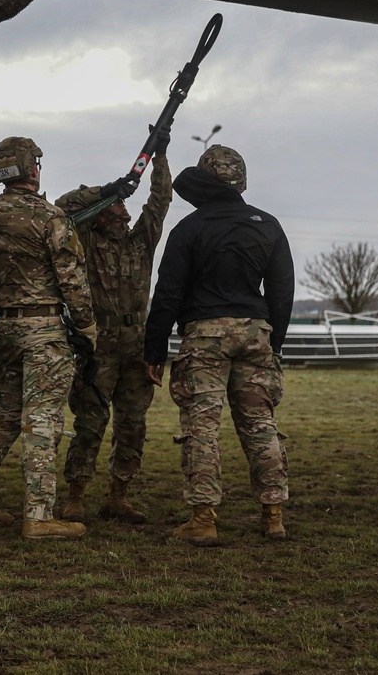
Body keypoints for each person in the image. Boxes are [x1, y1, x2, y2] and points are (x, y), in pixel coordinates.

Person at [144, 144, 294, 545]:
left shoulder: (189, 228)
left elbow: (168, 294)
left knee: (202, 429)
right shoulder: (269, 225)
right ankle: (273, 515)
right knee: (261, 424)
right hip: (255, 331)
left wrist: (154, 350)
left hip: (204, 335)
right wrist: (272, 343)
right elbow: (281, 291)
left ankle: (203, 520)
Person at [0, 137, 97, 540]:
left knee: (4, 413)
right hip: (45, 330)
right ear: (32, 169)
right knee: (43, 420)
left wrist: (2, 300)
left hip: (7, 326)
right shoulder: (50, 216)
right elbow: (72, 277)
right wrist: (87, 327)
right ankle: (38, 514)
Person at [54, 128, 172, 524]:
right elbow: (65, 207)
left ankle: (118, 495)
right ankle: (76, 494)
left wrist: (160, 156)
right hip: (99, 344)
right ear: (102, 212)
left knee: (133, 424)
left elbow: (159, 202)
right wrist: (105, 189)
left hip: (137, 343)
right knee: (90, 421)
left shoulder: (140, 241)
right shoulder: (84, 239)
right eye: (117, 205)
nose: (125, 209)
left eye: (123, 204)